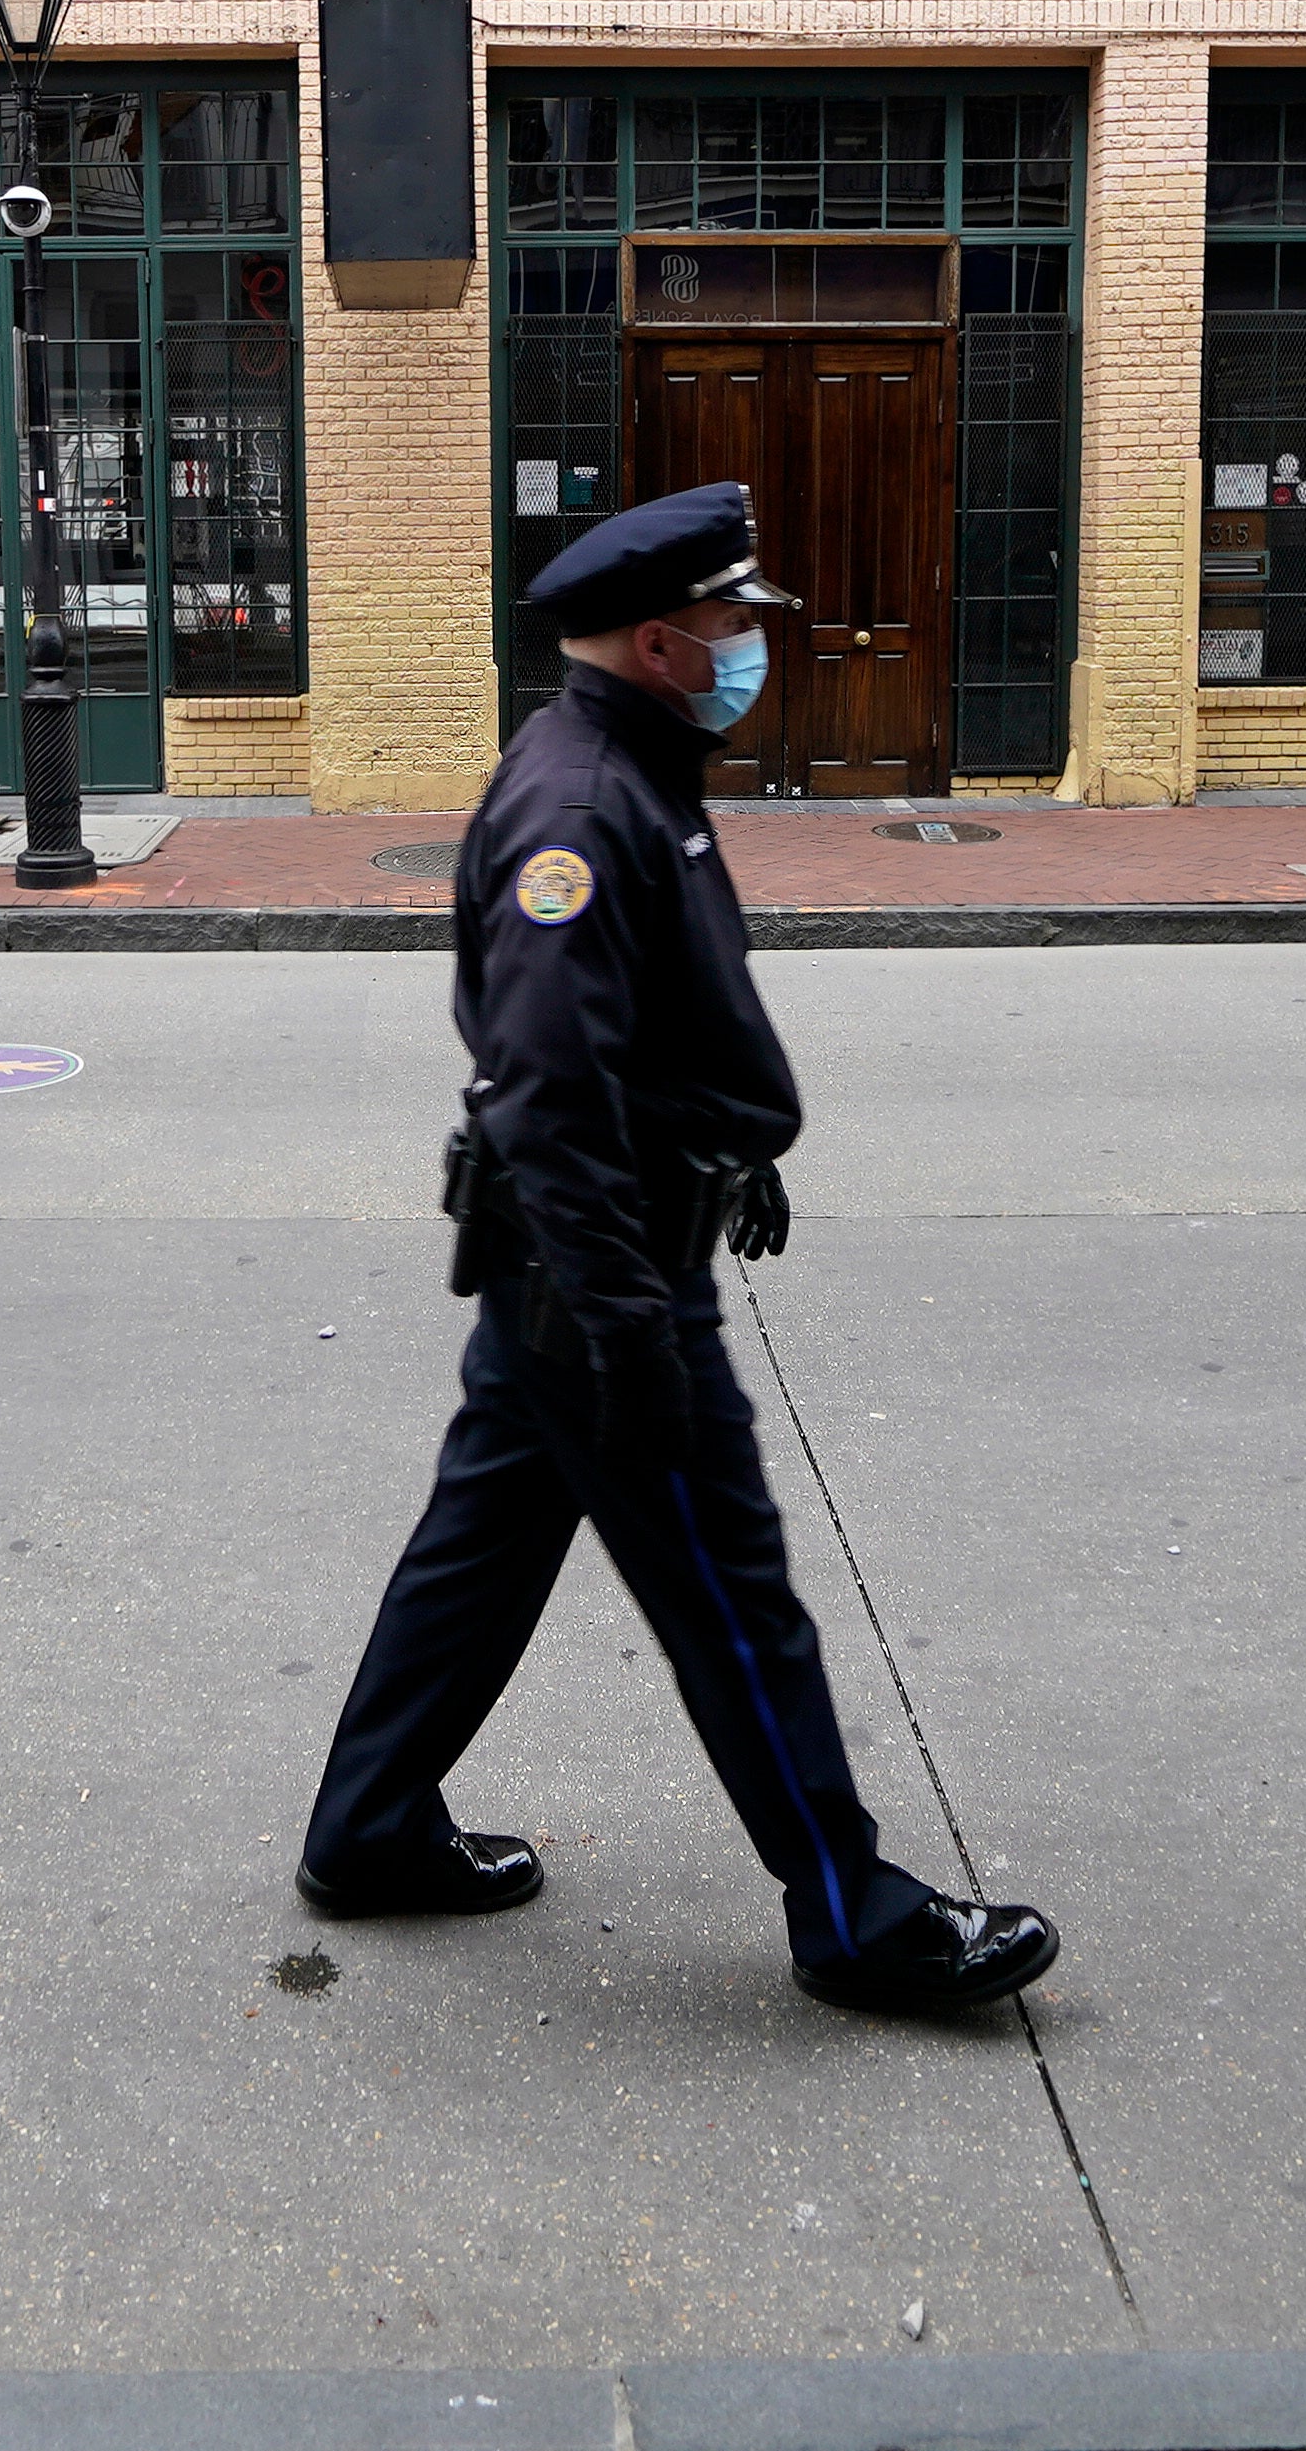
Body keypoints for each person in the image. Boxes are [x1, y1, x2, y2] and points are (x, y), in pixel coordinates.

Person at [292, 483, 1059, 2017]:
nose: (749, 646)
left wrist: (732, 1144)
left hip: (585, 1260)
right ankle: (855, 1913)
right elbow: (549, 1086)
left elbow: (638, 1032)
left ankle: (369, 1829)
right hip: (602, 1273)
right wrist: (631, 1322)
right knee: (733, 1590)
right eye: (730, 624)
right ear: (659, 640)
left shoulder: (631, 762)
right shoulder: (582, 806)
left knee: (481, 1551)